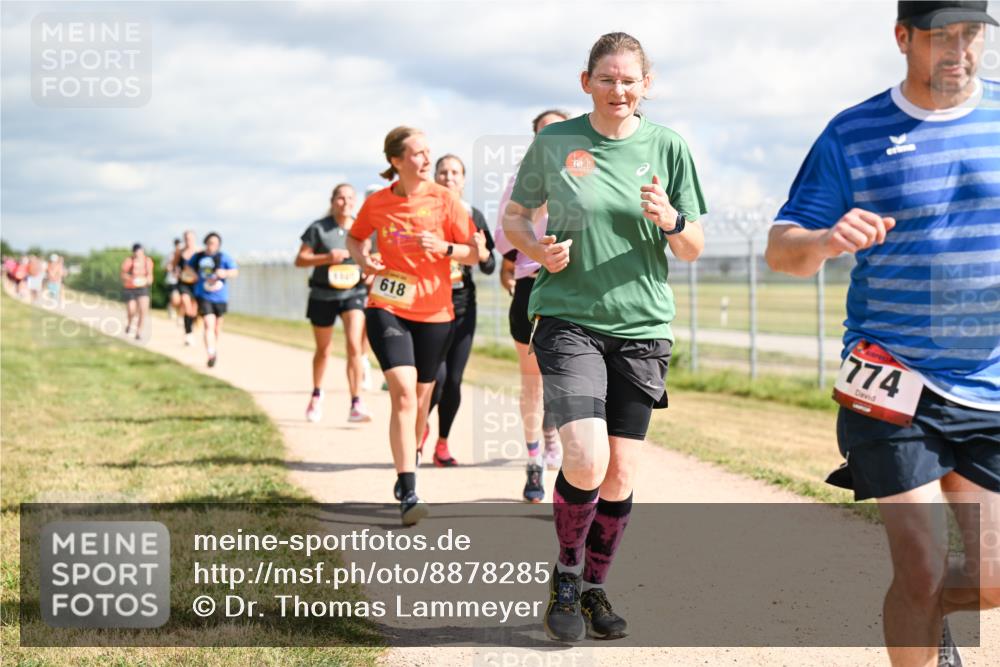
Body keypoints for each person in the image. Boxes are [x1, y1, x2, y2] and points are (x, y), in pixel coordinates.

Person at [765, 3, 1000, 665]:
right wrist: (824, 238)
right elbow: (782, 249)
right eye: (940, 36)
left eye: (972, 34)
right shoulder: (853, 133)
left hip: (989, 384)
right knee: (921, 566)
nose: (959, 50)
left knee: (990, 579)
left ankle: (926, 614)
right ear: (902, 38)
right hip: (889, 376)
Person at [502, 32, 707, 642]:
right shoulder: (556, 143)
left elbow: (693, 246)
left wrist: (670, 220)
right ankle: (565, 575)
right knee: (586, 458)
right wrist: (537, 248)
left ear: (648, 84)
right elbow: (515, 216)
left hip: (642, 328)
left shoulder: (668, 146)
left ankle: (594, 587)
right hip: (568, 318)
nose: (618, 89)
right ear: (586, 81)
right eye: (607, 78)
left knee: (620, 474)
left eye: (629, 79)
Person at [346, 126, 480, 526]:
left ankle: (411, 457)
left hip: (436, 314)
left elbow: (477, 252)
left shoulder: (446, 201)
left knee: (422, 399)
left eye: (428, 152)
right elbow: (355, 239)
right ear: (396, 161)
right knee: (403, 394)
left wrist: (446, 249)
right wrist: (363, 259)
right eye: (418, 154)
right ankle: (408, 487)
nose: (426, 160)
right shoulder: (376, 203)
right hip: (387, 305)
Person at [494, 108, 570, 502]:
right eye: (544, 134)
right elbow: (502, 239)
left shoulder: (589, 174)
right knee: (534, 384)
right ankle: (534, 462)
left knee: (566, 383)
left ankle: (555, 434)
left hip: (577, 287)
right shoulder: (519, 183)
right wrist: (534, 214)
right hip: (531, 285)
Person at [424, 154, 495, 466]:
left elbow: (490, 264)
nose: (448, 177)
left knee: (453, 380)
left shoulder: (473, 215)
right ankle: (416, 430)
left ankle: (442, 445)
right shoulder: (423, 211)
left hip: (463, 304)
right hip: (428, 304)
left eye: (454, 172)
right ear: (434, 177)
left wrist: (481, 254)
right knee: (434, 379)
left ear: (464, 180)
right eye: (443, 172)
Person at [296, 183, 373, 423]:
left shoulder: (363, 228)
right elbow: (300, 260)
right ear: (332, 201)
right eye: (341, 198)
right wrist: (327, 258)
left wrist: (369, 270)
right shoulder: (319, 229)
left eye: (350, 198)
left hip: (353, 293)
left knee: (354, 346)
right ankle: (317, 394)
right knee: (324, 350)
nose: (346, 202)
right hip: (323, 294)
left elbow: (370, 256)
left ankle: (356, 403)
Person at [187, 232, 238, 367]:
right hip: (203, 295)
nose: (211, 246)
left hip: (220, 296)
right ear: (206, 243)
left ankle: (213, 348)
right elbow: (187, 267)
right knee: (208, 324)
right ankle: (210, 353)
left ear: (218, 245)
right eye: (209, 243)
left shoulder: (223, 257)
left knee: (217, 327)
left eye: (214, 243)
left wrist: (225, 273)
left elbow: (234, 271)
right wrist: (195, 276)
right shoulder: (198, 257)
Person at [121, 244, 154, 339]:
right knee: (131, 310)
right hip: (130, 287)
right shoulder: (129, 261)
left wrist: (148, 280)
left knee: (143, 310)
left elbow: (150, 275)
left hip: (143, 287)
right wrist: (132, 279)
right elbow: (123, 274)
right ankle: (130, 323)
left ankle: (139, 332)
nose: (138, 253)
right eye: (136, 251)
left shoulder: (147, 261)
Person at [177, 230, 201, 345]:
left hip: (196, 284)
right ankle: (188, 334)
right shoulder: (180, 252)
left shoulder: (200, 252)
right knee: (187, 306)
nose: (188, 241)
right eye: (186, 238)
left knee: (193, 310)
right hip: (183, 283)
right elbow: (174, 265)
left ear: (194, 239)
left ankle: (192, 326)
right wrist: (175, 271)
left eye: (190, 238)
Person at [165, 237, 183, 323]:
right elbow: (167, 266)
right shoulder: (170, 255)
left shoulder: (184, 254)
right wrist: (170, 268)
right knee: (176, 299)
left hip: (183, 280)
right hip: (172, 280)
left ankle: (180, 316)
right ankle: (171, 306)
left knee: (183, 298)